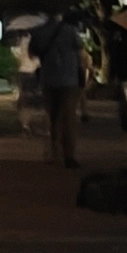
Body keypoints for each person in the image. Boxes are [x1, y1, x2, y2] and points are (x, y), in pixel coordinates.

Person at [29, 13, 87, 165]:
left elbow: (32, 53)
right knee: (68, 118)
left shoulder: (39, 31)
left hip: (48, 79)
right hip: (69, 80)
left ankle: (53, 152)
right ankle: (69, 155)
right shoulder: (70, 31)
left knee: (52, 117)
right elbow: (81, 54)